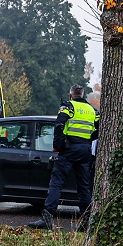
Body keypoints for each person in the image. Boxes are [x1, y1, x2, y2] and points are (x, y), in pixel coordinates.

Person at [29, 85, 99, 230]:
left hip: (69, 148)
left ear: (70, 94)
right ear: (82, 94)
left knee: (57, 181)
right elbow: (100, 128)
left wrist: (59, 146)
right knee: (84, 186)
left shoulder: (68, 106)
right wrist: (88, 139)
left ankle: (47, 218)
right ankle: (86, 221)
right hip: (85, 149)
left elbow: (59, 124)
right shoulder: (92, 110)